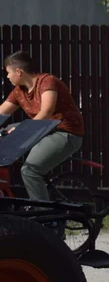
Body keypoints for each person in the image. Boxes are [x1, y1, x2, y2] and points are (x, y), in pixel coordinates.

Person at [0, 51, 85, 201]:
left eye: (8, 73)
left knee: (30, 171)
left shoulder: (47, 81)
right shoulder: (19, 91)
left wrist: (21, 132)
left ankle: (46, 217)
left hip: (64, 132)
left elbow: (46, 112)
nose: (7, 77)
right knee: (5, 132)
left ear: (19, 72)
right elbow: (2, 112)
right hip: (44, 130)